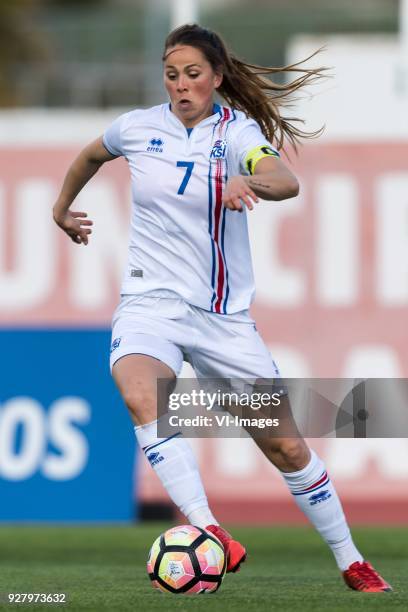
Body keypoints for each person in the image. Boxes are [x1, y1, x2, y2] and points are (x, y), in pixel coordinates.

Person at [53, 24, 391, 593]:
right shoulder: (137, 128)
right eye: (171, 74)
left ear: (215, 78)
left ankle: (351, 559)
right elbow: (91, 153)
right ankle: (210, 530)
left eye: (192, 74)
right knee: (141, 394)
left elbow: (285, 179)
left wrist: (247, 177)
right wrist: (62, 208)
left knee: (285, 445)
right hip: (149, 301)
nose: (181, 85)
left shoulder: (238, 134)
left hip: (222, 319)